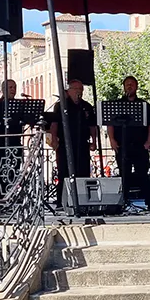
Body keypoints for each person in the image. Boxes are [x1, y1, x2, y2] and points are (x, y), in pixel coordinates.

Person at [109, 75, 150, 211]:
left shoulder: (144, 105)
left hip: (139, 145)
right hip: (121, 145)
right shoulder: (117, 104)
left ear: (136, 87)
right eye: (127, 84)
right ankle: (122, 202)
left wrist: (148, 141)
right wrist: (112, 139)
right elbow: (110, 124)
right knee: (124, 174)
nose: (129, 86)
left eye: (132, 84)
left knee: (142, 173)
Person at [47, 78, 98, 206]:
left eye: (80, 89)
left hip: (82, 143)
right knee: (64, 172)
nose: (78, 92)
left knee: (83, 171)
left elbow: (92, 125)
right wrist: (54, 140)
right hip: (65, 143)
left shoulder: (86, 106)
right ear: (69, 91)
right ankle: (61, 201)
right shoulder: (61, 105)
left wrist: (94, 141)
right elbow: (54, 123)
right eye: (76, 89)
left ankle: (82, 200)